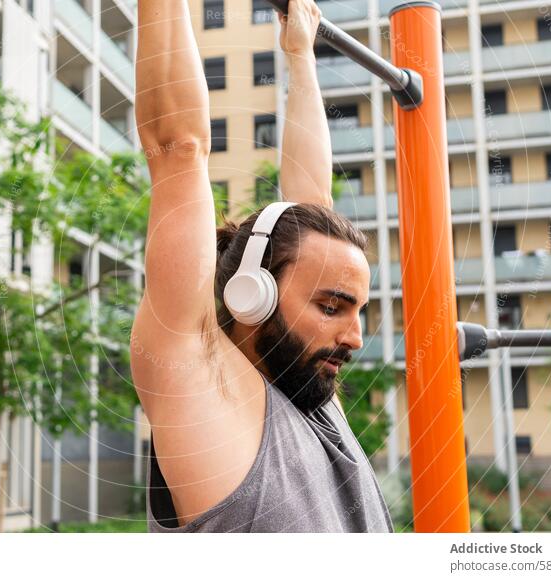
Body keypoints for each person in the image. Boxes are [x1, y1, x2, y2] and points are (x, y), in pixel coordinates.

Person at [131, 0, 393, 532]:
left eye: (356, 309)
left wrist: (300, 55)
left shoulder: (313, 395)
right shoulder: (203, 394)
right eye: (331, 307)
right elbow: (177, 146)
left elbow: (312, 200)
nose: (355, 336)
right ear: (253, 294)